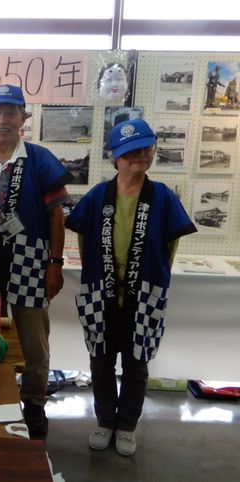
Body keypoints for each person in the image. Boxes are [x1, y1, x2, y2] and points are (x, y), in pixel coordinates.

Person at [65, 119, 197, 456]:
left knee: (137, 363)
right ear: (115, 158)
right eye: (130, 153)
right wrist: (99, 277)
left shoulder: (163, 197)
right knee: (101, 360)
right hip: (101, 292)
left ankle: (127, 426)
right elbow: (82, 239)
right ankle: (105, 420)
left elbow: (170, 247)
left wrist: (155, 282)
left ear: (153, 150)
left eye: (145, 149)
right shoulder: (98, 196)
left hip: (145, 294)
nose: (139, 157)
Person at [0, 84, 73, 438]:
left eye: (11, 112)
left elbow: (56, 215)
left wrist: (55, 264)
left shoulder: (39, 159)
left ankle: (34, 402)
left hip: (30, 259)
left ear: (23, 117)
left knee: (33, 337)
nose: (3, 119)